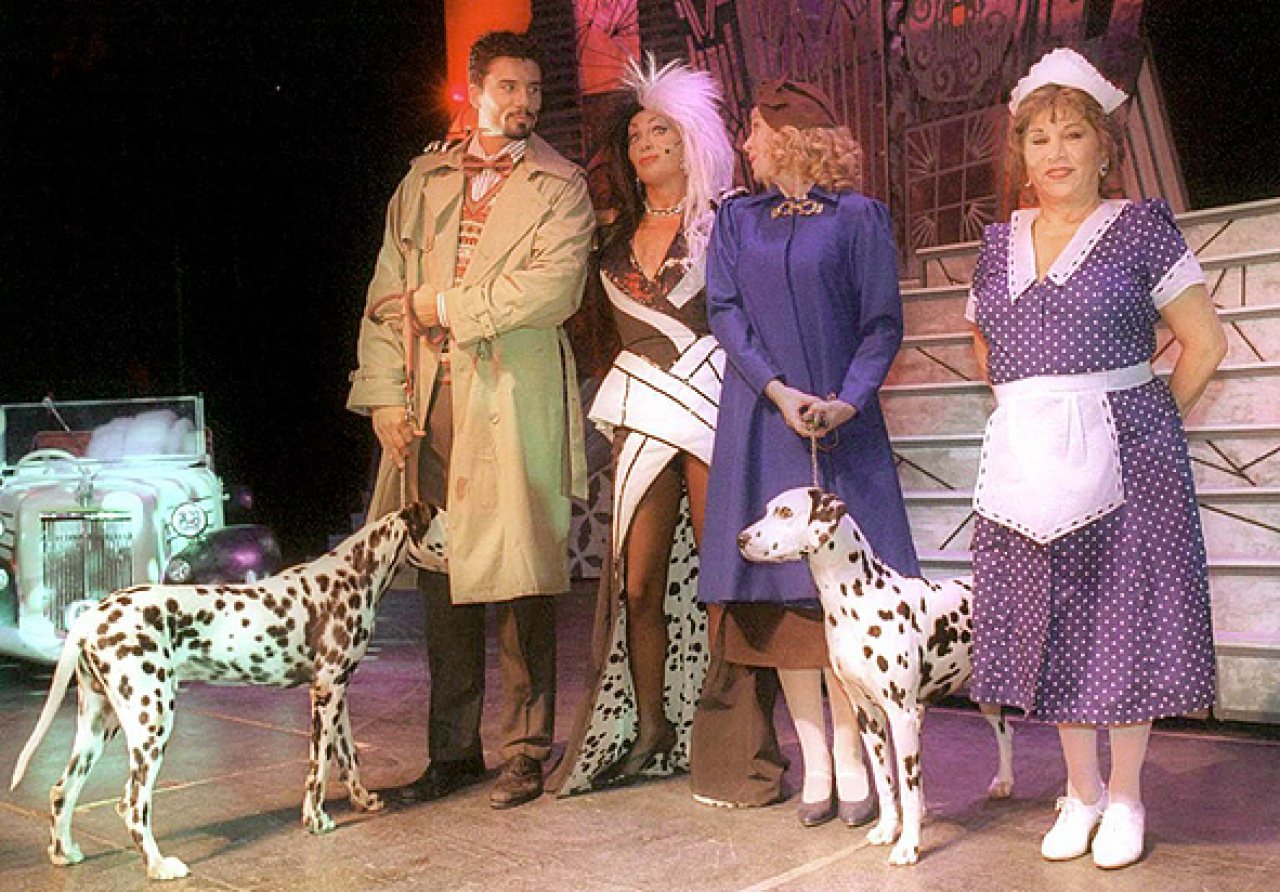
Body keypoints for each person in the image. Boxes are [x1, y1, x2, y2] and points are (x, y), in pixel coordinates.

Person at [966, 47, 1226, 868]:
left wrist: (1146, 423)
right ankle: (1079, 793)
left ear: (1104, 147)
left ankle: (1126, 796)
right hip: (1030, 463)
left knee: (1123, 621)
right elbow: (986, 345)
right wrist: (1031, 414)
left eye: (1073, 134)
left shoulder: (1141, 229)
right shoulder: (996, 243)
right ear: (1021, 152)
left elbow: (1204, 342)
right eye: (1038, 137)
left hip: (1125, 458)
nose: (1056, 152)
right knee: (1056, 625)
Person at [347, 30, 594, 810]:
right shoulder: (423, 180)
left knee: (522, 578)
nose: (525, 101)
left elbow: (554, 290)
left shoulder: (562, 185)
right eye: (509, 87)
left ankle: (525, 751)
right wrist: (385, 396)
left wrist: (449, 306)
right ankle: (451, 752)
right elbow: (386, 296)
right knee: (441, 577)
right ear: (476, 89)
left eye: (534, 89)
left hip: (512, 402)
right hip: (432, 406)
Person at [695, 79, 919, 825]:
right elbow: (725, 311)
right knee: (785, 606)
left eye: (755, 130)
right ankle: (817, 761)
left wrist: (847, 399)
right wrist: (776, 389)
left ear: (790, 138)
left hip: (843, 426)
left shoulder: (858, 218)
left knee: (845, 602)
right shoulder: (737, 219)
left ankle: (855, 761)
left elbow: (882, 323)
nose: (746, 144)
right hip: (765, 421)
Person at [548, 57, 736, 795]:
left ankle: (721, 727)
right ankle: (652, 724)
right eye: (635, 135)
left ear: (691, 139)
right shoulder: (610, 242)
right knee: (638, 581)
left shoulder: (726, 224)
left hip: (712, 402)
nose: (646, 144)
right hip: (642, 412)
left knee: (720, 578)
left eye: (661, 130)